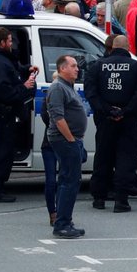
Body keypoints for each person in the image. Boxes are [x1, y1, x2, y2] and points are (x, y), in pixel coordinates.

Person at [85, 35, 137, 213]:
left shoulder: (97, 66)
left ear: (112, 47)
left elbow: (91, 93)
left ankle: (99, 198)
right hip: (129, 121)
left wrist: (107, 110)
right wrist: (125, 111)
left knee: (103, 156)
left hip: (105, 120)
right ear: (128, 47)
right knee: (126, 159)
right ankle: (121, 200)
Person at [0, 28, 37, 202]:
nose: (12, 44)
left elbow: (13, 70)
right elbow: (4, 92)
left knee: (1, 150)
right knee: (1, 152)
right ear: (2, 42)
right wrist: (24, 87)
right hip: (1, 113)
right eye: (10, 41)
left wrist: (27, 69)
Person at [46, 55, 87, 238]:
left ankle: (65, 220)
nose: (77, 69)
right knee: (70, 181)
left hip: (71, 139)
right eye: (73, 66)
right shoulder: (57, 88)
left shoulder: (67, 87)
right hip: (64, 140)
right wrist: (71, 139)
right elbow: (58, 117)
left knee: (67, 180)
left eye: (77, 66)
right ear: (62, 69)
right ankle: (62, 224)